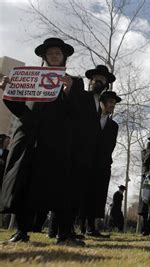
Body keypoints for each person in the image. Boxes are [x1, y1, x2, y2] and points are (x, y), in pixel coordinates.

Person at [0, 37, 85, 246]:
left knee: (59, 186)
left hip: (56, 142)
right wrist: (8, 93)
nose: (54, 56)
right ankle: (21, 231)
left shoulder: (74, 81)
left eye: (58, 53)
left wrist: (67, 94)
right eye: (50, 53)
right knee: (23, 183)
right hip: (28, 138)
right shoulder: (29, 79)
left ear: (64, 57)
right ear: (44, 57)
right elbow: (21, 111)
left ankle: (64, 234)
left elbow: (76, 114)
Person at [80, 90, 120, 237]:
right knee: (82, 195)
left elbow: (110, 146)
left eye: (114, 104)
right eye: (110, 102)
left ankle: (91, 227)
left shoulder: (114, 126)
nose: (113, 106)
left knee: (97, 196)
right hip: (86, 162)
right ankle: (79, 226)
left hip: (102, 165)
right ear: (102, 103)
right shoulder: (90, 118)